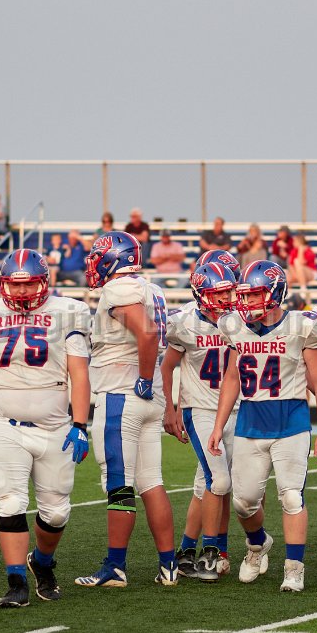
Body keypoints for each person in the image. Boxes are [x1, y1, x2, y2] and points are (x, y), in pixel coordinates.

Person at [0, 249, 91, 607]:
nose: (23, 292)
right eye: (15, 285)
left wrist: (80, 423)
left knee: (56, 512)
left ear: (44, 283)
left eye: (29, 285)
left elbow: (78, 372)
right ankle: (16, 582)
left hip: (55, 425)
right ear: (3, 284)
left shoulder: (68, 312)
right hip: (4, 423)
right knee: (11, 501)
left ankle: (42, 562)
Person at [207, 260, 317, 592]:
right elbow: (232, 377)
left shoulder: (302, 326)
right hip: (250, 420)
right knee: (243, 502)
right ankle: (257, 543)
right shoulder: (233, 326)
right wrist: (219, 425)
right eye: (245, 295)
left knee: (291, 497)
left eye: (255, 295)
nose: (247, 302)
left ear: (275, 294)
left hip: (291, 420)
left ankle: (294, 567)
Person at [75, 231, 177, 588]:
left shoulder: (119, 288)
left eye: (98, 256)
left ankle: (115, 567)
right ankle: (168, 566)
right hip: (149, 398)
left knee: (119, 484)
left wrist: (144, 379)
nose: (94, 263)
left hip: (123, 392)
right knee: (152, 481)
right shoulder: (152, 288)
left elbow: (147, 334)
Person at [160, 262, 238, 581]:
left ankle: (186, 552)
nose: (226, 299)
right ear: (201, 295)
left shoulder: (242, 319)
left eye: (228, 292)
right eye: (219, 294)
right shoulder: (183, 323)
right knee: (218, 482)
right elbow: (167, 367)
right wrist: (171, 409)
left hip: (237, 409)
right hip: (202, 409)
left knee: (207, 485)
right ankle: (211, 552)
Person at [288, 233, 317, 298]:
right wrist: (295, 275)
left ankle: (303, 288)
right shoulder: (293, 251)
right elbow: (291, 266)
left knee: (298, 264)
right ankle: (288, 293)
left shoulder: (309, 251)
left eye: (295, 241)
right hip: (299, 274)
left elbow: (301, 262)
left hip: (311, 273)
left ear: (299, 242)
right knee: (287, 275)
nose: (293, 243)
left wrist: (300, 250)